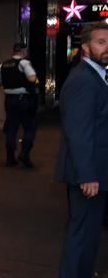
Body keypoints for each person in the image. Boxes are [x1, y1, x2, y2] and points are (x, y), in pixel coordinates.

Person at [57, 23, 108, 278]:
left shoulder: (96, 75)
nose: (107, 48)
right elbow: (79, 132)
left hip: (96, 171)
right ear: (86, 48)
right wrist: (87, 175)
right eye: (101, 42)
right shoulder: (84, 80)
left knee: (89, 236)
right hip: (89, 175)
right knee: (82, 236)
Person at [0, 42, 38, 168]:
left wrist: (8, 82)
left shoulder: (4, 64)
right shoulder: (24, 63)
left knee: (11, 128)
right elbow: (32, 78)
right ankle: (24, 153)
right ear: (23, 52)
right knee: (30, 127)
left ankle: (10, 158)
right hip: (23, 100)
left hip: (9, 100)